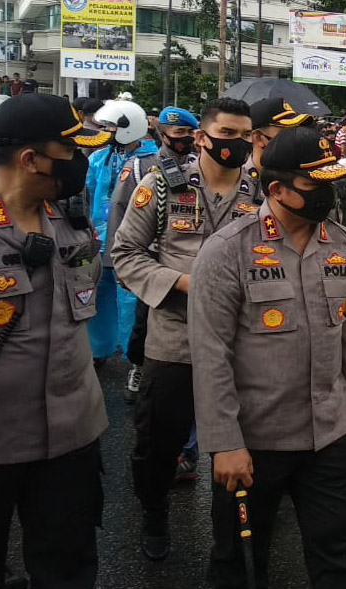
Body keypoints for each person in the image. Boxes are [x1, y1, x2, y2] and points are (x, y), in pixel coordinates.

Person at [0, 93, 111, 589]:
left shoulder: (72, 222)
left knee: (68, 574)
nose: (80, 162)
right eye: (70, 151)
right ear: (31, 159)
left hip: (71, 439)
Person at [188, 126, 346, 589]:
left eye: (332, 183)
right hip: (254, 440)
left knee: (341, 558)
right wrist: (224, 442)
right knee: (241, 566)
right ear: (276, 189)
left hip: (329, 433)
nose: (328, 195)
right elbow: (210, 354)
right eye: (315, 185)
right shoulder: (227, 251)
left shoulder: (343, 244)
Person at [112, 97, 259, 561]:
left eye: (245, 136)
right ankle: (154, 513)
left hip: (240, 344)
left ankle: (229, 542)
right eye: (227, 134)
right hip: (176, 339)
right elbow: (125, 253)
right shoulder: (160, 186)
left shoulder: (260, 193)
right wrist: (182, 283)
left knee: (237, 447)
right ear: (201, 138)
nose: (236, 144)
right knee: (159, 442)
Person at [104, 105, 199, 397]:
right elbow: (118, 210)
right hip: (148, 257)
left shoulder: (198, 166)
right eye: (179, 132)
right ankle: (137, 366)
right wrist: (117, 264)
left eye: (189, 132)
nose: (185, 138)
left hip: (183, 259)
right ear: (163, 134)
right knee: (143, 319)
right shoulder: (140, 166)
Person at [84, 100, 158, 366]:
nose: (105, 132)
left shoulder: (152, 161)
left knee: (129, 300)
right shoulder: (98, 158)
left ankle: (132, 357)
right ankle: (99, 349)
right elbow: (89, 193)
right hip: (99, 239)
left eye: (110, 127)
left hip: (132, 242)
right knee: (98, 295)